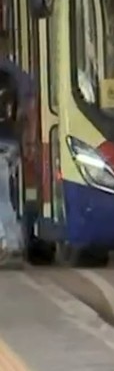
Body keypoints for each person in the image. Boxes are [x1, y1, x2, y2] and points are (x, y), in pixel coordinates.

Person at [0, 30, 33, 267]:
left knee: (2, 197)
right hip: (11, 142)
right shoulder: (16, 74)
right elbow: (26, 109)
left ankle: (11, 245)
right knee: (6, 194)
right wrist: (26, 138)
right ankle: (13, 243)